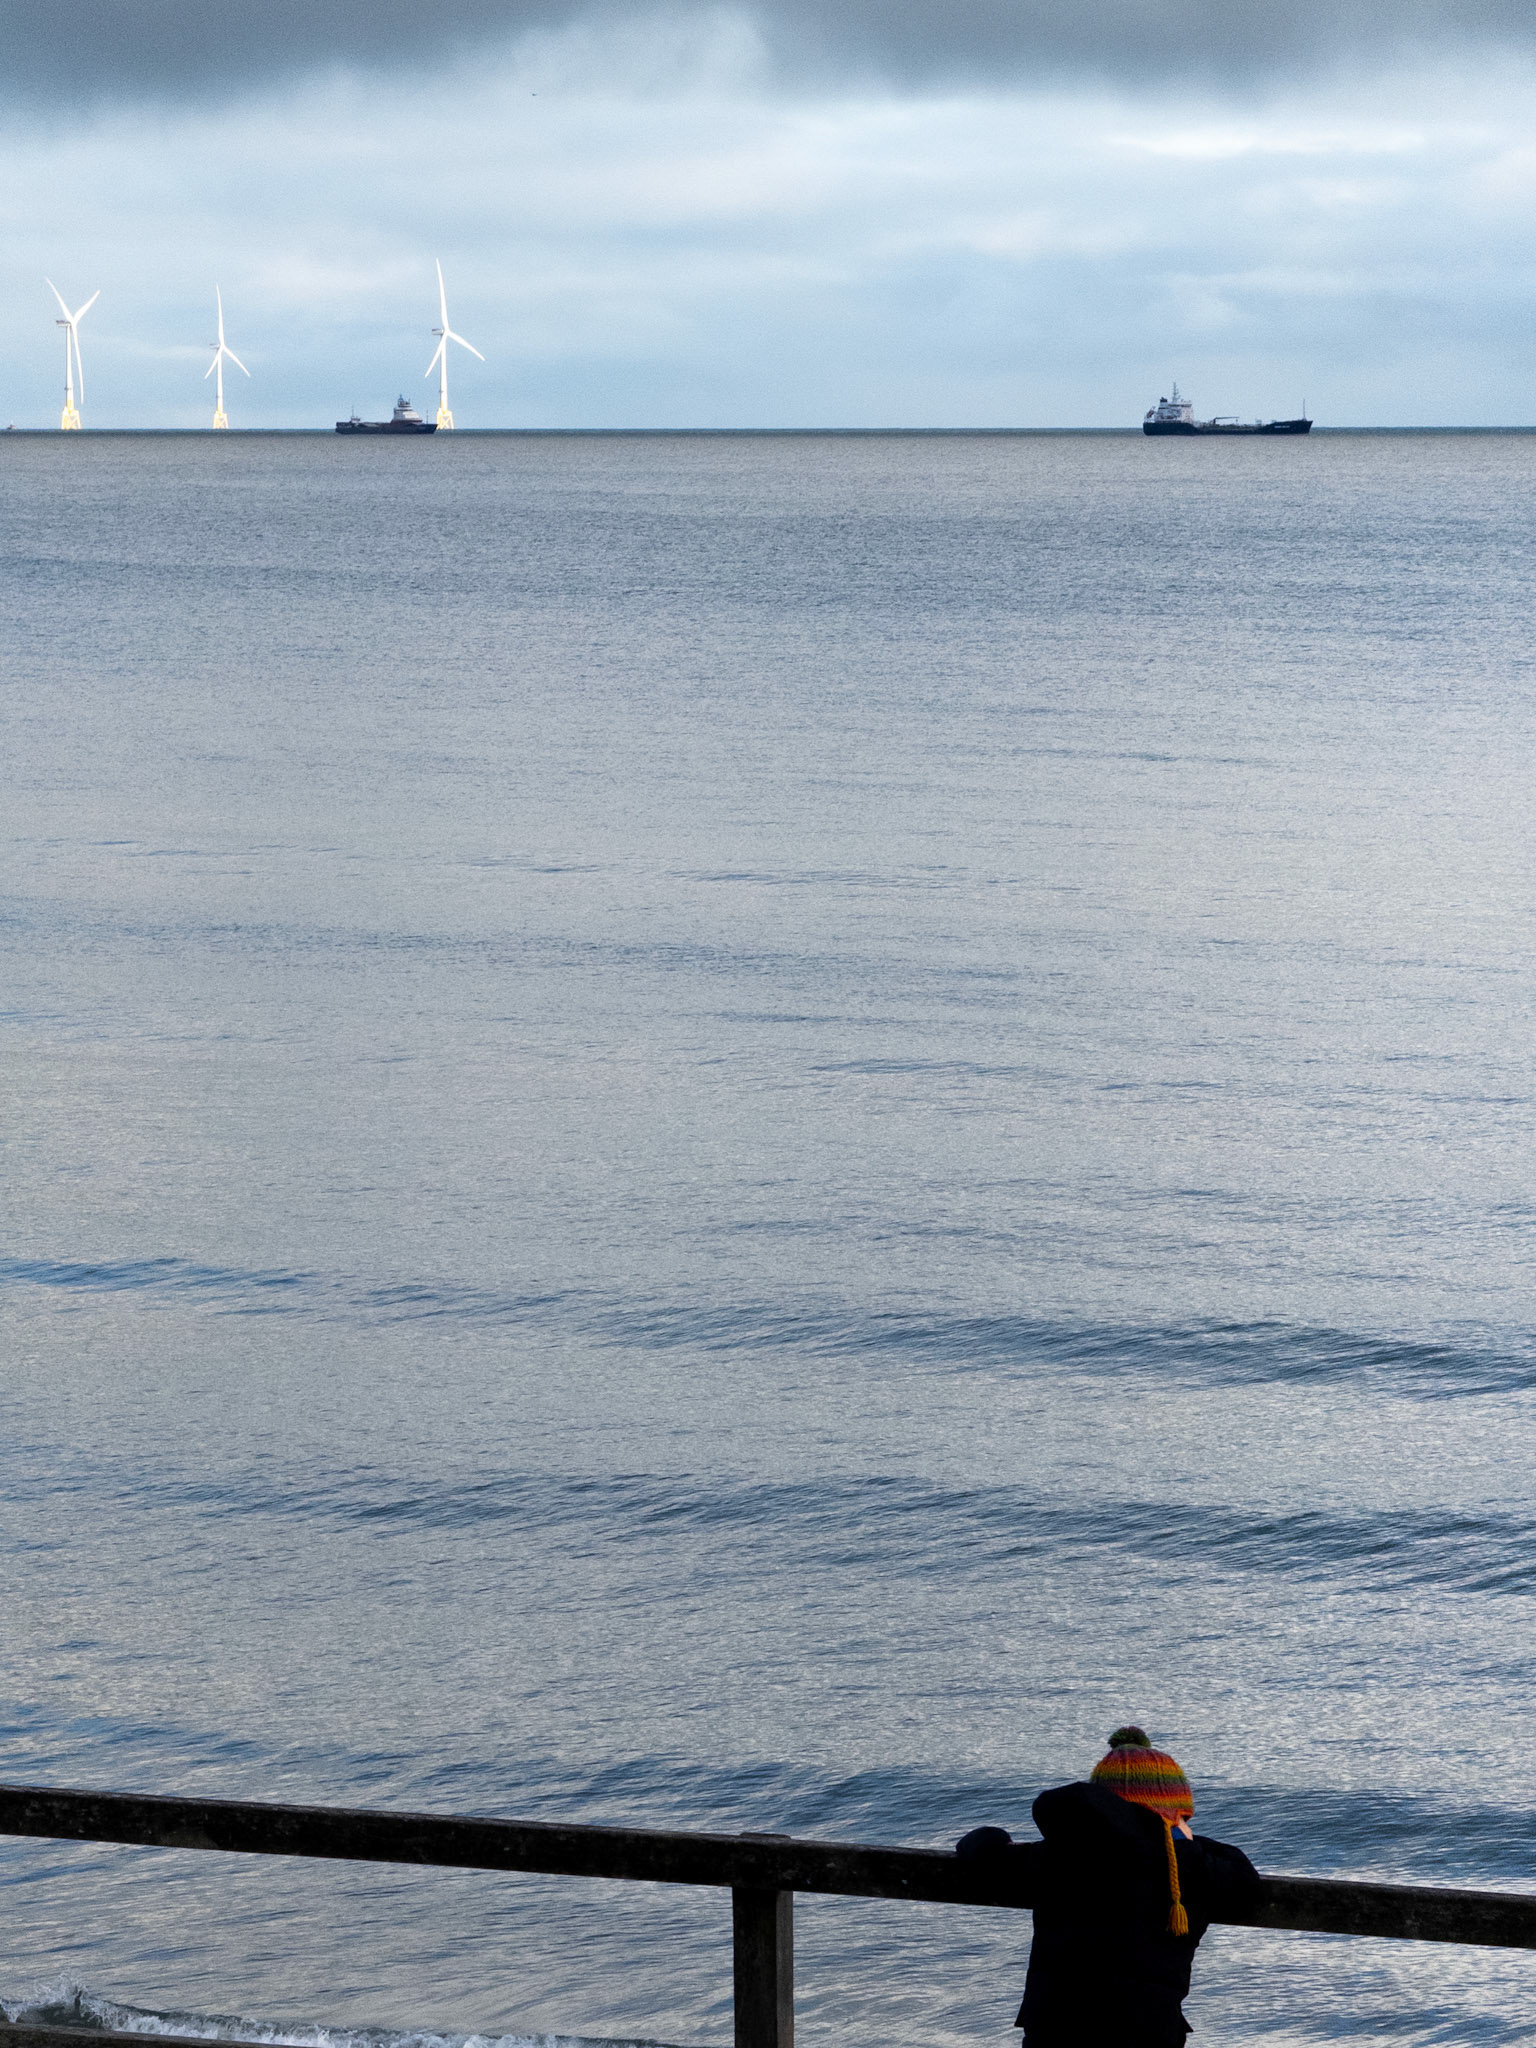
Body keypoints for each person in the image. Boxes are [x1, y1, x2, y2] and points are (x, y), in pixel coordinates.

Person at [956, 1725, 1261, 2047]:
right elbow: (1244, 1881)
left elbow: (982, 1851)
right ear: (1172, 1814)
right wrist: (1180, 1839)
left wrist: (999, 1838)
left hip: (1055, 2026)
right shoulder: (1193, 1865)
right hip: (1151, 2030)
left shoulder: (1058, 1856)